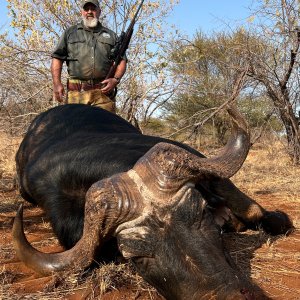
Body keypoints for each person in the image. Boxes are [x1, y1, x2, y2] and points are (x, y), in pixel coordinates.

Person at [51, 0, 127, 113]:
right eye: (86, 9)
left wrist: (115, 80)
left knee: (105, 129)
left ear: (99, 11)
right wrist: (57, 83)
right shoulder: (70, 33)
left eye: (93, 8)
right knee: (75, 128)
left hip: (103, 93)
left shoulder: (111, 35)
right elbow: (57, 58)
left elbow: (122, 60)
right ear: (82, 12)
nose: (90, 12)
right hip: (77, 93)